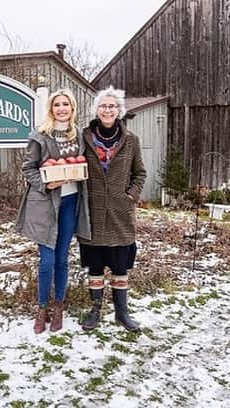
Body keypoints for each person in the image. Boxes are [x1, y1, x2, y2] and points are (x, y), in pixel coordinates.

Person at [15, 89, 91, 334]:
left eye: (65, 104)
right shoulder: (40, 136)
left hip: (70, 203)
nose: (61, 108)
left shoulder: (79, 135)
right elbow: (28, 169)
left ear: (72, 108)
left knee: (62, 259)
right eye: (57, 104)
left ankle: (59, 306)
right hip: (45, 205)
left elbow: (83, 165)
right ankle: (41, 308)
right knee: (46, 261)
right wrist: (46, 184)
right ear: (51, 108)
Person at [78, 86, 146, 332]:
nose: (107, 110)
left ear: (119, 111)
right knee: (95, 266)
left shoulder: (131, 141)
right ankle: (95, 310)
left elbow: (140, 173)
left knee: (119, 267)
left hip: (120, 213)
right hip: (93, 211)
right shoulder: (83, 138)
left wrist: (130, 196)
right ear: (97, 110)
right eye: (103, 106)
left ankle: (121, 312)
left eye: (112, 106)